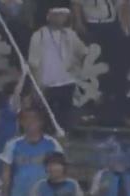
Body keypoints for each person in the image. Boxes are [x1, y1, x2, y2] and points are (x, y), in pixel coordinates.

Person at [26, 6, 85, 135]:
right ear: (49, 16)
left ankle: (64, 139)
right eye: (57, 15)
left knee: (65, 119)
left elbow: (82, 52)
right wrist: (35, 87)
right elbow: (33, 63)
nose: (60, 18)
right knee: (46, 119)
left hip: (67, 82)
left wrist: (75, 64)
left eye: (63, 15)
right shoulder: (39, 35)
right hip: (47, 84)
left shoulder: (70, 34)